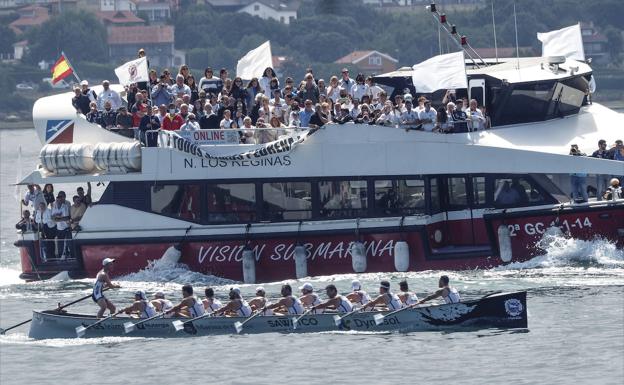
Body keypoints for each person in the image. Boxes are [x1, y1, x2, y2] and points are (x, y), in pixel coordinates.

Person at [51, 191, 71, 258]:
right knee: (60, 243)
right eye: (59, 197)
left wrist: (58, 218)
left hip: (66, 227)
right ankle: (60, 256)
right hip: (58, 228)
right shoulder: (54, 205)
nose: (60, 199)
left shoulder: (66, 205)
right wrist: (57, 217)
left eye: (62, 197)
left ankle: (67, 255)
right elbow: (52, 217)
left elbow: (67, 217)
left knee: (67, 243)